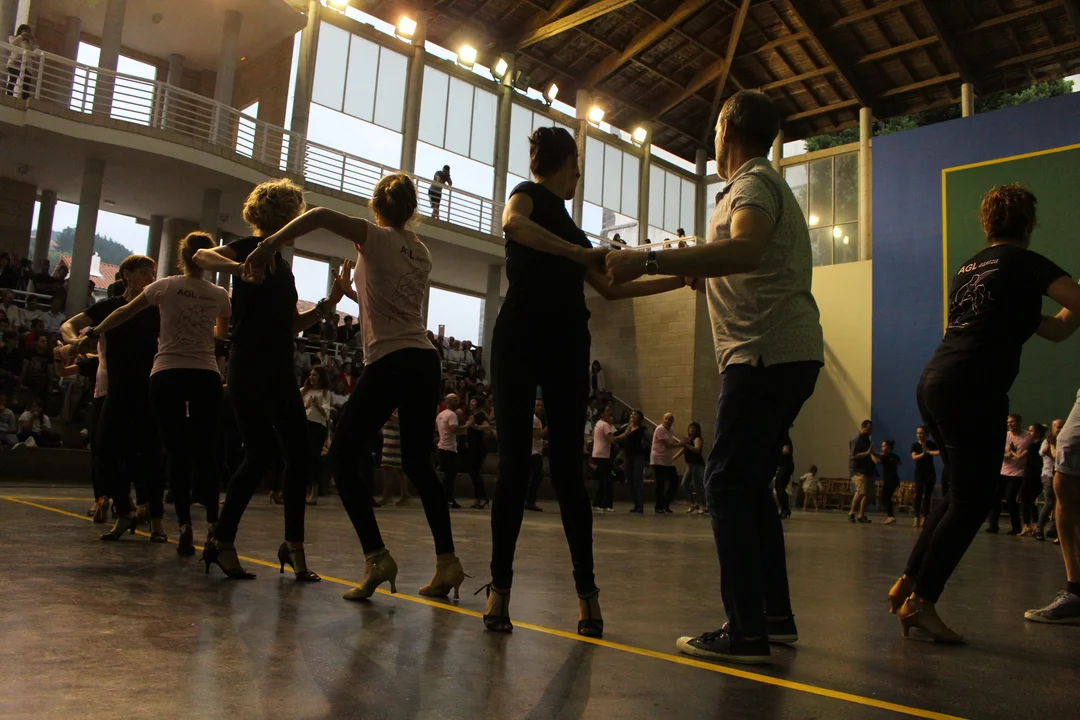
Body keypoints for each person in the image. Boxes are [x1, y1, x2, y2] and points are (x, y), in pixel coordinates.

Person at [606, 90, 824, 664]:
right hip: (784, 355)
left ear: (725, 128)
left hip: (762, 355)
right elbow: (704, 273)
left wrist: (646, 257)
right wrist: (627, 279)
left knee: (725, 484)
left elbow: (744, 250)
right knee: (748, 485)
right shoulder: (756, 187)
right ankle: (772, 616)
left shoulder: (750, 185)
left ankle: (745, 632)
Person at [484, 126, 687, 638]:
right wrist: (577, 256)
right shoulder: (527, 196)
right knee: (513, 469)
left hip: (567, 344)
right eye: (577, 165)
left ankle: (587, 593)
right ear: (568, 164)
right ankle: (499, 588)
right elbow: (513, 225)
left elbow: (613, 289)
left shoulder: (576, 234)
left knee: (569, 477)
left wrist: (680, 279)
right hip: (518, 339)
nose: (579, 174)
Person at [247, 173, 467, 601]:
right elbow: (389, 304)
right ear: (413, 210)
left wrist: (269, 244)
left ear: (375, 207)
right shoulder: (420, 252)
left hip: (391, 360)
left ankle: (377, 557)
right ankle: (448, 562)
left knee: (342, 457)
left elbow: (320, 215)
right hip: (423, 359)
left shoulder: (375, 237)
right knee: (418, 464)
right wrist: (350, 293)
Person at [889, 183, 1080, 642]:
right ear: (1029, 224)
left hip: (936, 379)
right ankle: (922, 602)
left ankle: (908, 582)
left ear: (987, 224)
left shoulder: (970, 268)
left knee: (957, 494)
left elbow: (1055, 330)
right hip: (973, 387)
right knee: (974, 501)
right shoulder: (1025, 262)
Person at [192, 178, 346, 581]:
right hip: (248, 363)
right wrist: (239, 267)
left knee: (298, 454)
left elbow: (290, 325)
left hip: (279, 365)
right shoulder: (250, 248)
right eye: (295, 215)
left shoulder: (284, 268)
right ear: (283, 217)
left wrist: (328, 305)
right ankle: (222, 540)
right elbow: (202, 255)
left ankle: (293, 545)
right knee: (260, 454)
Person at [81, 233, 231, 555]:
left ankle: (184, 525)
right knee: (205, 450)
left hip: (168, 372)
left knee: (174, 451)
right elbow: (221, 334)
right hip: (204, 372)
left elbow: (125, 312)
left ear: (182, 256)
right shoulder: (220, 294)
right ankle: (213, 525)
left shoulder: (166, 286)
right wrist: (199, 325)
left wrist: (94, 332)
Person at [65, 255, 165, 541]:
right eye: (145, 272)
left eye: (153, 273)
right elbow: (71, 324)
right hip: (117, 388)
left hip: (147, 388)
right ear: (127, 275)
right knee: (105, 451)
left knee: (151, 455)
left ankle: (156, 520)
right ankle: (124, 510)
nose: (151, 277)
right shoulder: (110, 307)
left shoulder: (156, 309)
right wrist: (75, 342)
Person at [988, 414, 1031, 535]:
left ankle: (1016, 527)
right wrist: (1006, 455)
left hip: (1017, 473)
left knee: (1010, 498)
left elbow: (1027, 453)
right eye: (1008, 422)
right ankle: (993, 526)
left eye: (1012, 422)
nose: (1010, 424)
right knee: (995, 498)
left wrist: (1013, 454)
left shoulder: (1027, 437)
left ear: (1019, 422)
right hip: (1002, 471)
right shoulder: (1005, 436)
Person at [301, 365, 333, 506]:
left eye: (315, 375)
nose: (311, 377)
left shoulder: (325, 392)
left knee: (314, 458)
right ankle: (305, 490)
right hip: (304, 425)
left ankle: (314, 492)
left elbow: (326, 414)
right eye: (310, 374)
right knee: (303, 458)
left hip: (317, 427)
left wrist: (316, 405)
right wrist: (307, 405)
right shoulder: (304, 390)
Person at [590, 406, 625, 512]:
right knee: (607, 481)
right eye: (607, 411)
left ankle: (597, 503)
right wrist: (625, 434)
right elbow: (612, 440)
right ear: (602, 414)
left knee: (602, 481)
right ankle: (607, 505)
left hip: (597, 454)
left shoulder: (598, 423)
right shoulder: (605, 425)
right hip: (603, 455)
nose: (610, 413)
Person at [1035, 418, 1064, 542]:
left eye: (1062, 426)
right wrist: (1051, 443)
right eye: (1058, 427)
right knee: (1049, 502)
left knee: (1061, 505)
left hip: (1061, 475)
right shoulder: (1047, 442)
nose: (1060, 429)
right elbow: (1047, 454)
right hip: (1048, 475)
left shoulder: (1064, 441)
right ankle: (1039, 529)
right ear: (1052, 428)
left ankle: (1055, 530)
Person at [437, 394, 468, 508]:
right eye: (455, 400)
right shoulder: (452, 414)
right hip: (449, 448)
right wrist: (467, 425)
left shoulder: (440, 414)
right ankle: (448, 498)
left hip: (442, 447)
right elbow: (453, 429)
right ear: (449, 402)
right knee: (450, 476)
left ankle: (445, 498)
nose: (457, 402)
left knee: (448, 475)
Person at [376, 410, 411, 506]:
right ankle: (403, 494)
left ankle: (387, 496)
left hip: (394, 438)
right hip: (391, 437)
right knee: (398, 469)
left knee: (388, 467)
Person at [464, 396, 493, 509]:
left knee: (474, 473)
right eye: (471, 400)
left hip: (478, 448)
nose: (471, 402)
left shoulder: (480, 415)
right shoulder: (473, 414)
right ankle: (477, 499)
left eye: (474, 401)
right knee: (474, 473)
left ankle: (483, 498)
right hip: (473, 447)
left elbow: (487, 427)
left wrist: (475, 426)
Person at [1019, 423, 1048, 536]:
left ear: (1038, 433)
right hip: (1038, 474)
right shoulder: (1042, 443)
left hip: (1032, 475)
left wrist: (1011, 452)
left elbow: (1020, 456)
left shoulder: (1034, 445)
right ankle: (1035, 523)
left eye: (1031, 431)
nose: (1029, 433)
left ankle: (1027, 524)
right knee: (1030, 500)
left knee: (1025, 499)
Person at [651, 413, 683, 513]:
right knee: (660, 483)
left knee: (674, 480)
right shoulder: (660, 429)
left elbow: (670, 443)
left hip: (667, 460)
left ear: (673, 421)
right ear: (663, 419)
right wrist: (681, 444)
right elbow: (668, 445)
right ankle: (658, 506)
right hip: (658, 459)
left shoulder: (671, 430)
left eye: (669, 419)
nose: (667, 421)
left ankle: (666, 503)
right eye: (666, 419)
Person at [848, 420, 877, 523]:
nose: (870, 431)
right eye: (868, 429)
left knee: (868, 493)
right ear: (863, 427)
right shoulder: (857, 439)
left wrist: (879, 455)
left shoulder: (866, 439)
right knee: (861, 491)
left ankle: (861, 515)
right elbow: (853, 455)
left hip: (867, 469)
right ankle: (851, 513)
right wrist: (867, 453)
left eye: (871, 430)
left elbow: (870, 453)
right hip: (858, 470)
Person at [910, 427, 940, 527]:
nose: (919, 435)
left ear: (927, 434)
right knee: (918, 494)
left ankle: (925, 517)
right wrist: (923, 453)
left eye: (921, 433)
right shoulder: (915, 445)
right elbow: (914, 457)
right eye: (918, 433)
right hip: (920, 472)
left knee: (927, 495)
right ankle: (916, 517)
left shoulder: (931, 444)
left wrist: (929, 452)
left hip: (930, 472)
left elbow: (940, 452)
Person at [621, 409, 648, 514]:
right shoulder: (627, 427)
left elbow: (643, 442)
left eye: (635, 414)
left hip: (638, 456)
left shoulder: (642, 429)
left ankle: (640, 505)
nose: (632, 416)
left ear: (640, 418)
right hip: (628, 456)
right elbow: (619, 435)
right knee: (629, 479)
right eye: (632, 414)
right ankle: (635, 503)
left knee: (638, 479)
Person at [524, 398, 548, 512]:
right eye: (537, 405)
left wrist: (542, 442)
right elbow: (538, 435)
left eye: (541, 405)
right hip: (534, 452)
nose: (540, 407)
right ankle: (529, 500)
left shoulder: (536, 419)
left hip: (535, 449)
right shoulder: (535, 419)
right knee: (537, 476)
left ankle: (529, 499)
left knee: (534, 476)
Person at [678, 421, 706, 515]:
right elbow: (684, 450)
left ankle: (704, 505)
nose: (691, 430)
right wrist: (674, 457)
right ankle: (693, 503)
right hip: (690, 465)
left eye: (694, 428)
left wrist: (686, 444)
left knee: (698, 485)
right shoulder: (689, 439)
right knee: (684, 483)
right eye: (690, 428)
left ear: (697, 430)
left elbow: (697, 449)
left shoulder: (697, 438)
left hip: (697, 465)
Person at [7, 24, 37, 99]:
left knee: (26, 83)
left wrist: (33, 41)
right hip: (15, 63)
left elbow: (35, 52)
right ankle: (9, 96)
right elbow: (12, 44)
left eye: (28, 32)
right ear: (20, 30)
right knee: (12, 81)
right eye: (25, 31)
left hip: (26, 65)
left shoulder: (28, 43)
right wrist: (20, 36)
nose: (26, 33)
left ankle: (25, 99)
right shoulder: (13, 37)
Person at [879, 441, 902, 525]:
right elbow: (900, 463)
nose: (882, 448)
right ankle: (891, 516)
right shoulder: (894, 456)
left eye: (883, 446)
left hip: (890, 480)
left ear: (888, 447)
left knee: (885, 498)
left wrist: (870, 454)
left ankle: (891, 516)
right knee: (886, 498)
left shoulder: (885, 456)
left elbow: (877, 461)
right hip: (894, 480)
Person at [772, 434, 794, 520]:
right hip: (782, 466)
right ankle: (784, 509)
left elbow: (786, 450)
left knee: (780, 487)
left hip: (786, 466)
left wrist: (775, 452)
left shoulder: (784, 438)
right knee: (778, 487)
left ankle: (785, 509)